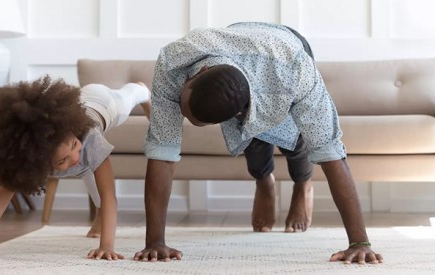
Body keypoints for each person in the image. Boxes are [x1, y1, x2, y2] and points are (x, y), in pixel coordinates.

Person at [133, 22, 383, 264]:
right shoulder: (174, 61)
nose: (182, 116)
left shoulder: (296, 72)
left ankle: (302, 184)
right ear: (199, 73)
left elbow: (329, 151)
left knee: (297, 140)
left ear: (240, 110)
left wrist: (359, 243)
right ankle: (264, 181)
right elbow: (162, 151)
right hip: (240, 36)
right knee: (252, 137)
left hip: (287, 49)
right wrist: (155, 241)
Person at [0, 76, 151, 261]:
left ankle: (141, 89)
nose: (75, 157)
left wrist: (106, 246)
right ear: (38, 161)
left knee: (130, 97)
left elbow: (108, 194)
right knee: (86, 169)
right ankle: (98, 220)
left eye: (74, 145)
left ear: (74, 134)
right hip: (82, 101)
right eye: (62, 161)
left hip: (103, 102)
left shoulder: (91, 141)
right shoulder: (33, 159)